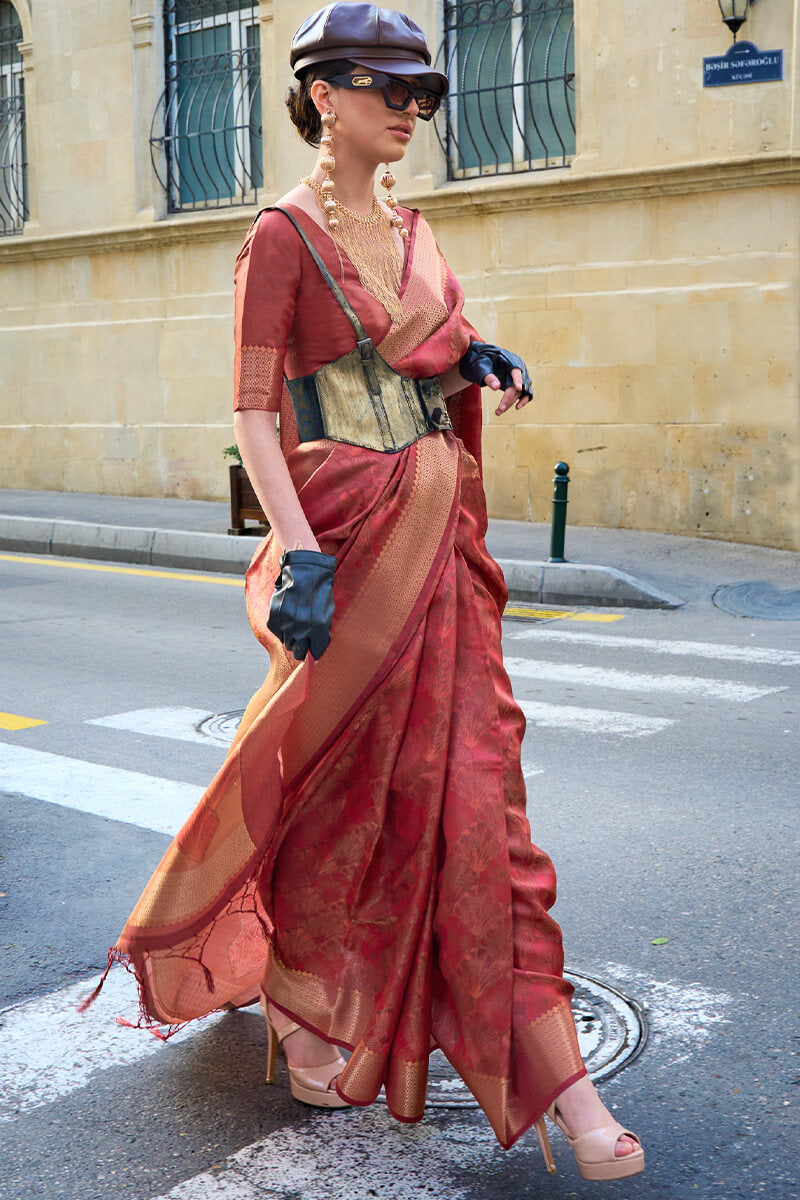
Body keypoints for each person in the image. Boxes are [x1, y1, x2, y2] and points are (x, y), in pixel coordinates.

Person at [87, 3, 644, 1181]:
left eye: (421, 95)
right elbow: (250, 408)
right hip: (346, 541)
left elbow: (428, 339)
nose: (409, 111)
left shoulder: (418, 228)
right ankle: (306, 1010)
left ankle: (565, 1093)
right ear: (322, 96)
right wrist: (300, 554)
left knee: (479, 812)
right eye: (386, 89)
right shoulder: (279, 237)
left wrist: (474, 354)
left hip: (440, 551)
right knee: (336, 803)